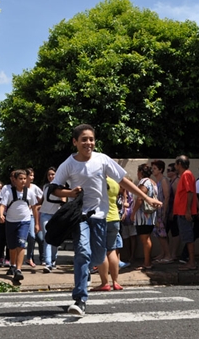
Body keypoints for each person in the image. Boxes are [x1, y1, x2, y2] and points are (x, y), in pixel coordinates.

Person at [51, 124, 161, 316]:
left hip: (101, 217)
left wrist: (147, 198)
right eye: (84, 139)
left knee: (97, 256)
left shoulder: (103, 159)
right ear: (75, 142)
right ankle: (80, 298)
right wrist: (69, 192)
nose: (88, 143)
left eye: (91, 139)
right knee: (83, 253)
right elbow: (53, 189)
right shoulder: (68, 164)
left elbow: (123, 180)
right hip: (80, 217)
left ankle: (86, 277)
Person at [0, 170, 39, 284]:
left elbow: (35, 208)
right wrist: (1, 214)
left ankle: (18, 270)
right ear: (14, 180)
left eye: (24, 179)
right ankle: (12, 264)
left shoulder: (29, 193)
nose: (23, 181)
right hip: (11, 221)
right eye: (20, 179)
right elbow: (2, 205)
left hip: (24, 221)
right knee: (12, 246)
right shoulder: (9, 192)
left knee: (21, 245)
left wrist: (36, 223)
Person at [91, 176, 124, 290]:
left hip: (102, 218)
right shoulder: (115, 182)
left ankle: (105, 283)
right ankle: (115, 282)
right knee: (112, 250)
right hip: (115, 218)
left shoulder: (97, 181)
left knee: (102, 251)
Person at [131, 164, 158, 271]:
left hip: (143, 216)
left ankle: (147, 262)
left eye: (138, 171)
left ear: (141, 172)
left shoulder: (144, 182)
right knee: (147, 238)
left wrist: (133, 213)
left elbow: (140, 199)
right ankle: (147, 261)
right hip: (151, 216)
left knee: (145, 239)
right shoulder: (153, 182)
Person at [173, 155, 198, 271]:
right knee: (187, 237)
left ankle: (191, 262)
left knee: (188, 237)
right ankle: (190, 261)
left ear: (179, 164)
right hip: (182, 211)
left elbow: (190, 192)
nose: (175, 166)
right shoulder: (185, 175)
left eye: (176, 164)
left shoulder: (186, 174)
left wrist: (188, 209)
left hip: (184, 212)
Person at [40, 168, 62, 273]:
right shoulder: (45, 186)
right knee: (47, 238)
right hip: (44, 214)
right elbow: (42, 200)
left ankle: (53, 259)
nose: (51, 177)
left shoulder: (61, 186)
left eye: (53, 174)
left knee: (55, 239)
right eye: (49, 175)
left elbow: (64, 200)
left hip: (56, 215)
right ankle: (48, 263)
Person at [150, 160, 173, 264]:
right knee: (158, 233)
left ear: (160, 169)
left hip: (161, 210)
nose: (153, 170)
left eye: (155, 168)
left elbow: (167, 196)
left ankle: (168, 255)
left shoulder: (163, 180)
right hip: (156, 210)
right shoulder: (156, 181)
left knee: (162, 233)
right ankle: (163, 253)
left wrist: (164, 212)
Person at [25, 168, 44, 267]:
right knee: (28, 238)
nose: (32, 177)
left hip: (32, 215)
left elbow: (43, 198)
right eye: (30, 175)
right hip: (22, 216)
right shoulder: (21, 188)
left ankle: (30, 257)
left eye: (33, 175)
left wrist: (37, 206)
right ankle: (28, 257)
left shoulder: (34, 188)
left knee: (34, 237)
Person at [118, 180, 136, 266]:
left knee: (132, 237)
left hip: (130, 217)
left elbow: (132, 203)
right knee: (125, 238)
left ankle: (132, 256)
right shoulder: (120, 194)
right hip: (123, 219)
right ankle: (127, 255)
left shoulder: (130, 194)